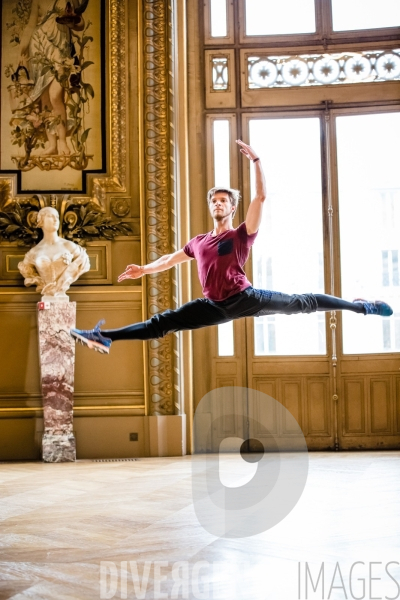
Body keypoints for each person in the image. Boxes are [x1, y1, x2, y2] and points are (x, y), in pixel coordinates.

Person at [70, 140, 393, 354]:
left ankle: (361, 307)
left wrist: (256, 160)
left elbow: (261, 197)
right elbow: (171, 259)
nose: (218, 203)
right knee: (162, 323)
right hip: (214, 306)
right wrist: (145, 269)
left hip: (244, 298)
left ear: (232, 208)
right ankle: (104, 337)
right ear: (210, 206)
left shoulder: (241, 234)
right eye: (214, 200)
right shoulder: (199, 242)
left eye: (224, 200)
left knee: (302, 302)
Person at [19, 206, 90, 298]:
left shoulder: (69, 246)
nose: (55, 219)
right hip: (46, 295)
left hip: (62, 293)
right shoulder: (34, 252)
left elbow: (82, 260)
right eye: (50, 216)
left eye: (56, 217)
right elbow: (27, 271)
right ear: (41, 221)